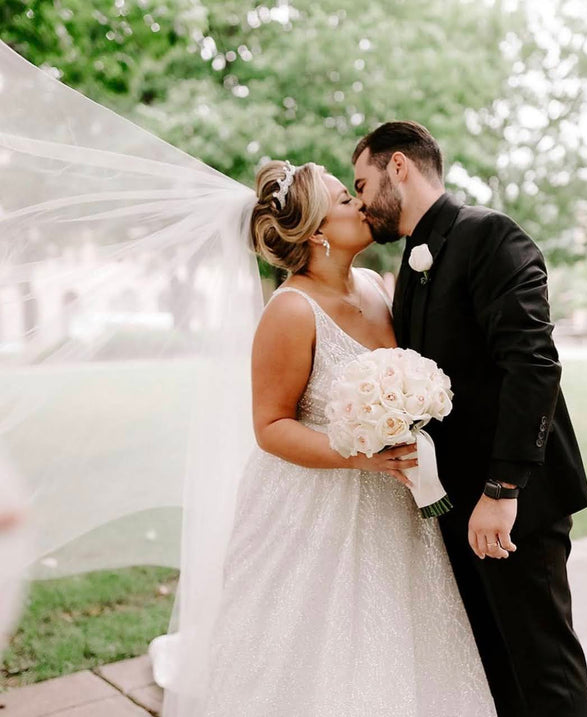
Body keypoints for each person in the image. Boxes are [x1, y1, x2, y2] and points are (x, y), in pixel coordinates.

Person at [199, 160, 496, 716]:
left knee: (399, 630)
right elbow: (269, 426)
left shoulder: (373, 286)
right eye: (343, 199)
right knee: (322, 641)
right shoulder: (290, 310)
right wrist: (359, 456)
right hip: (314, 506)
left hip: (393, 497)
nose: (361, 204)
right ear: (315, 232)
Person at [352, 121, 587, 717]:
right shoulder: (409, 262)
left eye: (362, 183)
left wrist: (502, 489)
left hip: (512, 500)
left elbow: (534, 366)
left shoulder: (491, 236)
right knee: (492, 662)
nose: (359, 201)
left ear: (399, 167)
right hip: (453, 499)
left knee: (542, 661)